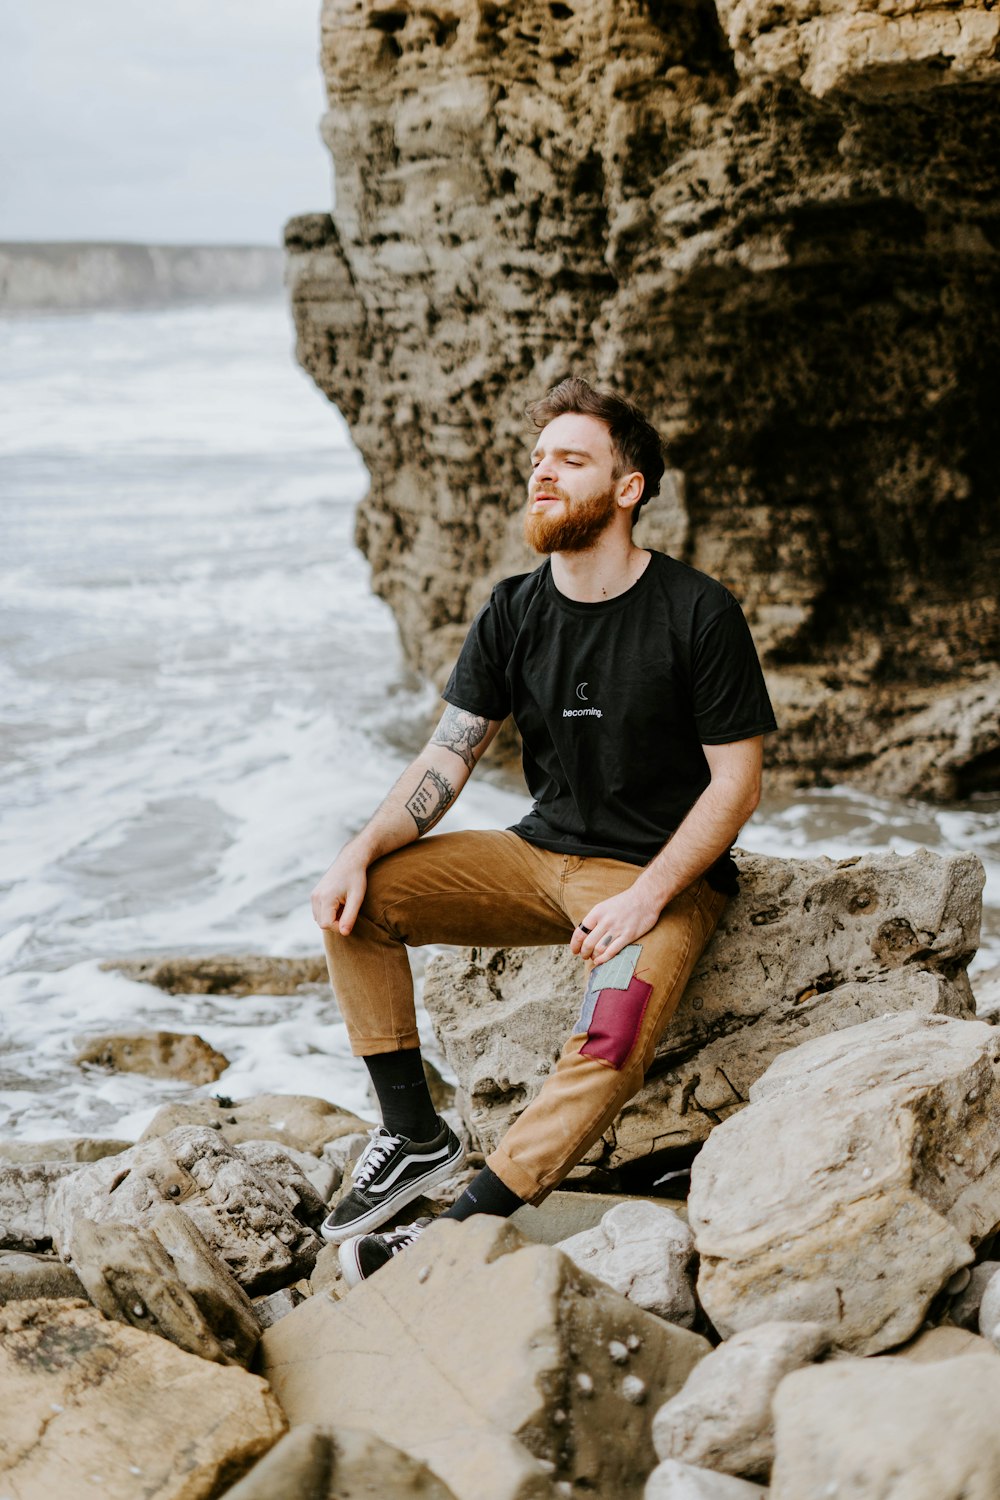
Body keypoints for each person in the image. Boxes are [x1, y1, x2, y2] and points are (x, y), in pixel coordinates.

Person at [311, 375, 777, 1285]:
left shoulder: (698, 612)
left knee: (612, 1037)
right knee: (355, 904)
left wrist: (648, 898)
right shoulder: (514, 609)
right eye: (537, 460)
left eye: (571, 459)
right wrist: (360, 851)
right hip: (535, 854)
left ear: (627, 487)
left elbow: (737, 784)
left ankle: (458, 1224)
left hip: (656, 876)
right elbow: (448, 758)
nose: (543, 475)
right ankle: (413, 1136)